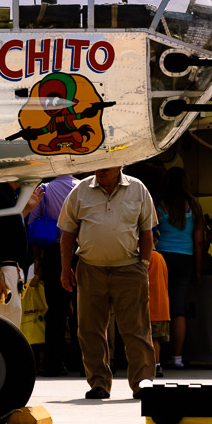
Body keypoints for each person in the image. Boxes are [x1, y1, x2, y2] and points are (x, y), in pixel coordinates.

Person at [58, 167, 157, 400]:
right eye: (98, 165)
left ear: (119, 165)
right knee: (90, 329)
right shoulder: (80, 190)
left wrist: (144, 263)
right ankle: (99, 383)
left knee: (137, 329)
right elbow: (68, 234)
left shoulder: (138, 189)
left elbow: (147, 231)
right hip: (90, 268)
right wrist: (65, 269)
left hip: (129, 268)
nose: (100, 170)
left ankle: (142, 383)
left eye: (106, 166)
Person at [155, 167, 204, 369]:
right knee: (178, 308)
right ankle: (177, 357)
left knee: (158, 306)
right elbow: (199, 241)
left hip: (162, 258)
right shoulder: (194, 206)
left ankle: (157, 356)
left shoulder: (160, 205)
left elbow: (151, 232)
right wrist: (198, 269)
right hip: (186, 259)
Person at [29, 175, 78, 376]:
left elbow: (33, 224)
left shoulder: (44, 189)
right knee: (83, 309)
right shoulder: (83, 188)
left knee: (56, 311)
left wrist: (37, 259)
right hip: (81, 252)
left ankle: (53, 363)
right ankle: (83, 362)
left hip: (53, 253)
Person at [0, 182, 39, 325]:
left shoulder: (5, 192)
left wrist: (27, 209)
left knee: (7, 329)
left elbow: (7, 227)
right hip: (2, 272)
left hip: (6, 272)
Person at [148, 250, 170, 377]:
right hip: (161, 307)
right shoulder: (160, 257)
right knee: (155, 339)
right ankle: (156, 364)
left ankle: (155, 365)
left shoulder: (150, 257)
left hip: (152, 307)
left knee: (152, 338)